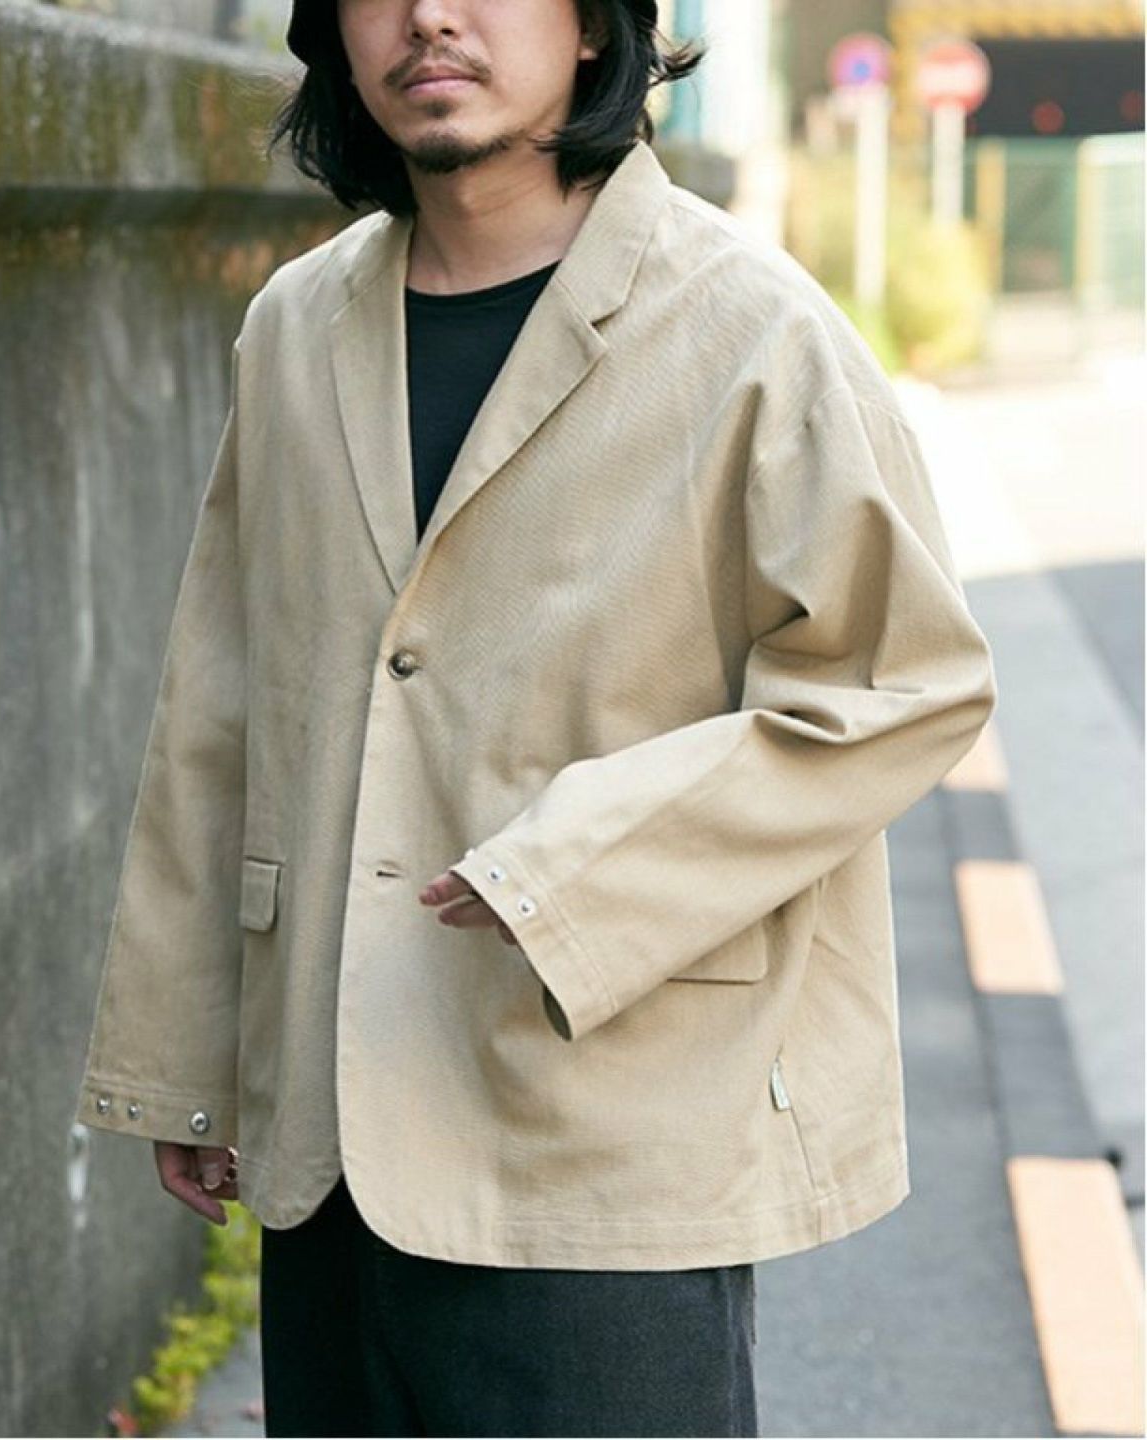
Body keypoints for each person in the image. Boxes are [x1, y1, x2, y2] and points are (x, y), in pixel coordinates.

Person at [73, 0, 998, 1435]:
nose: (430, 17)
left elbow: (905, 681)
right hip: (331, 1129)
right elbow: (222, 704)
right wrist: (183, 1063)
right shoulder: (296, 326)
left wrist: (579, 872)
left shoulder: (750, 325)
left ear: (594, 31)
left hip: (609, 1136)